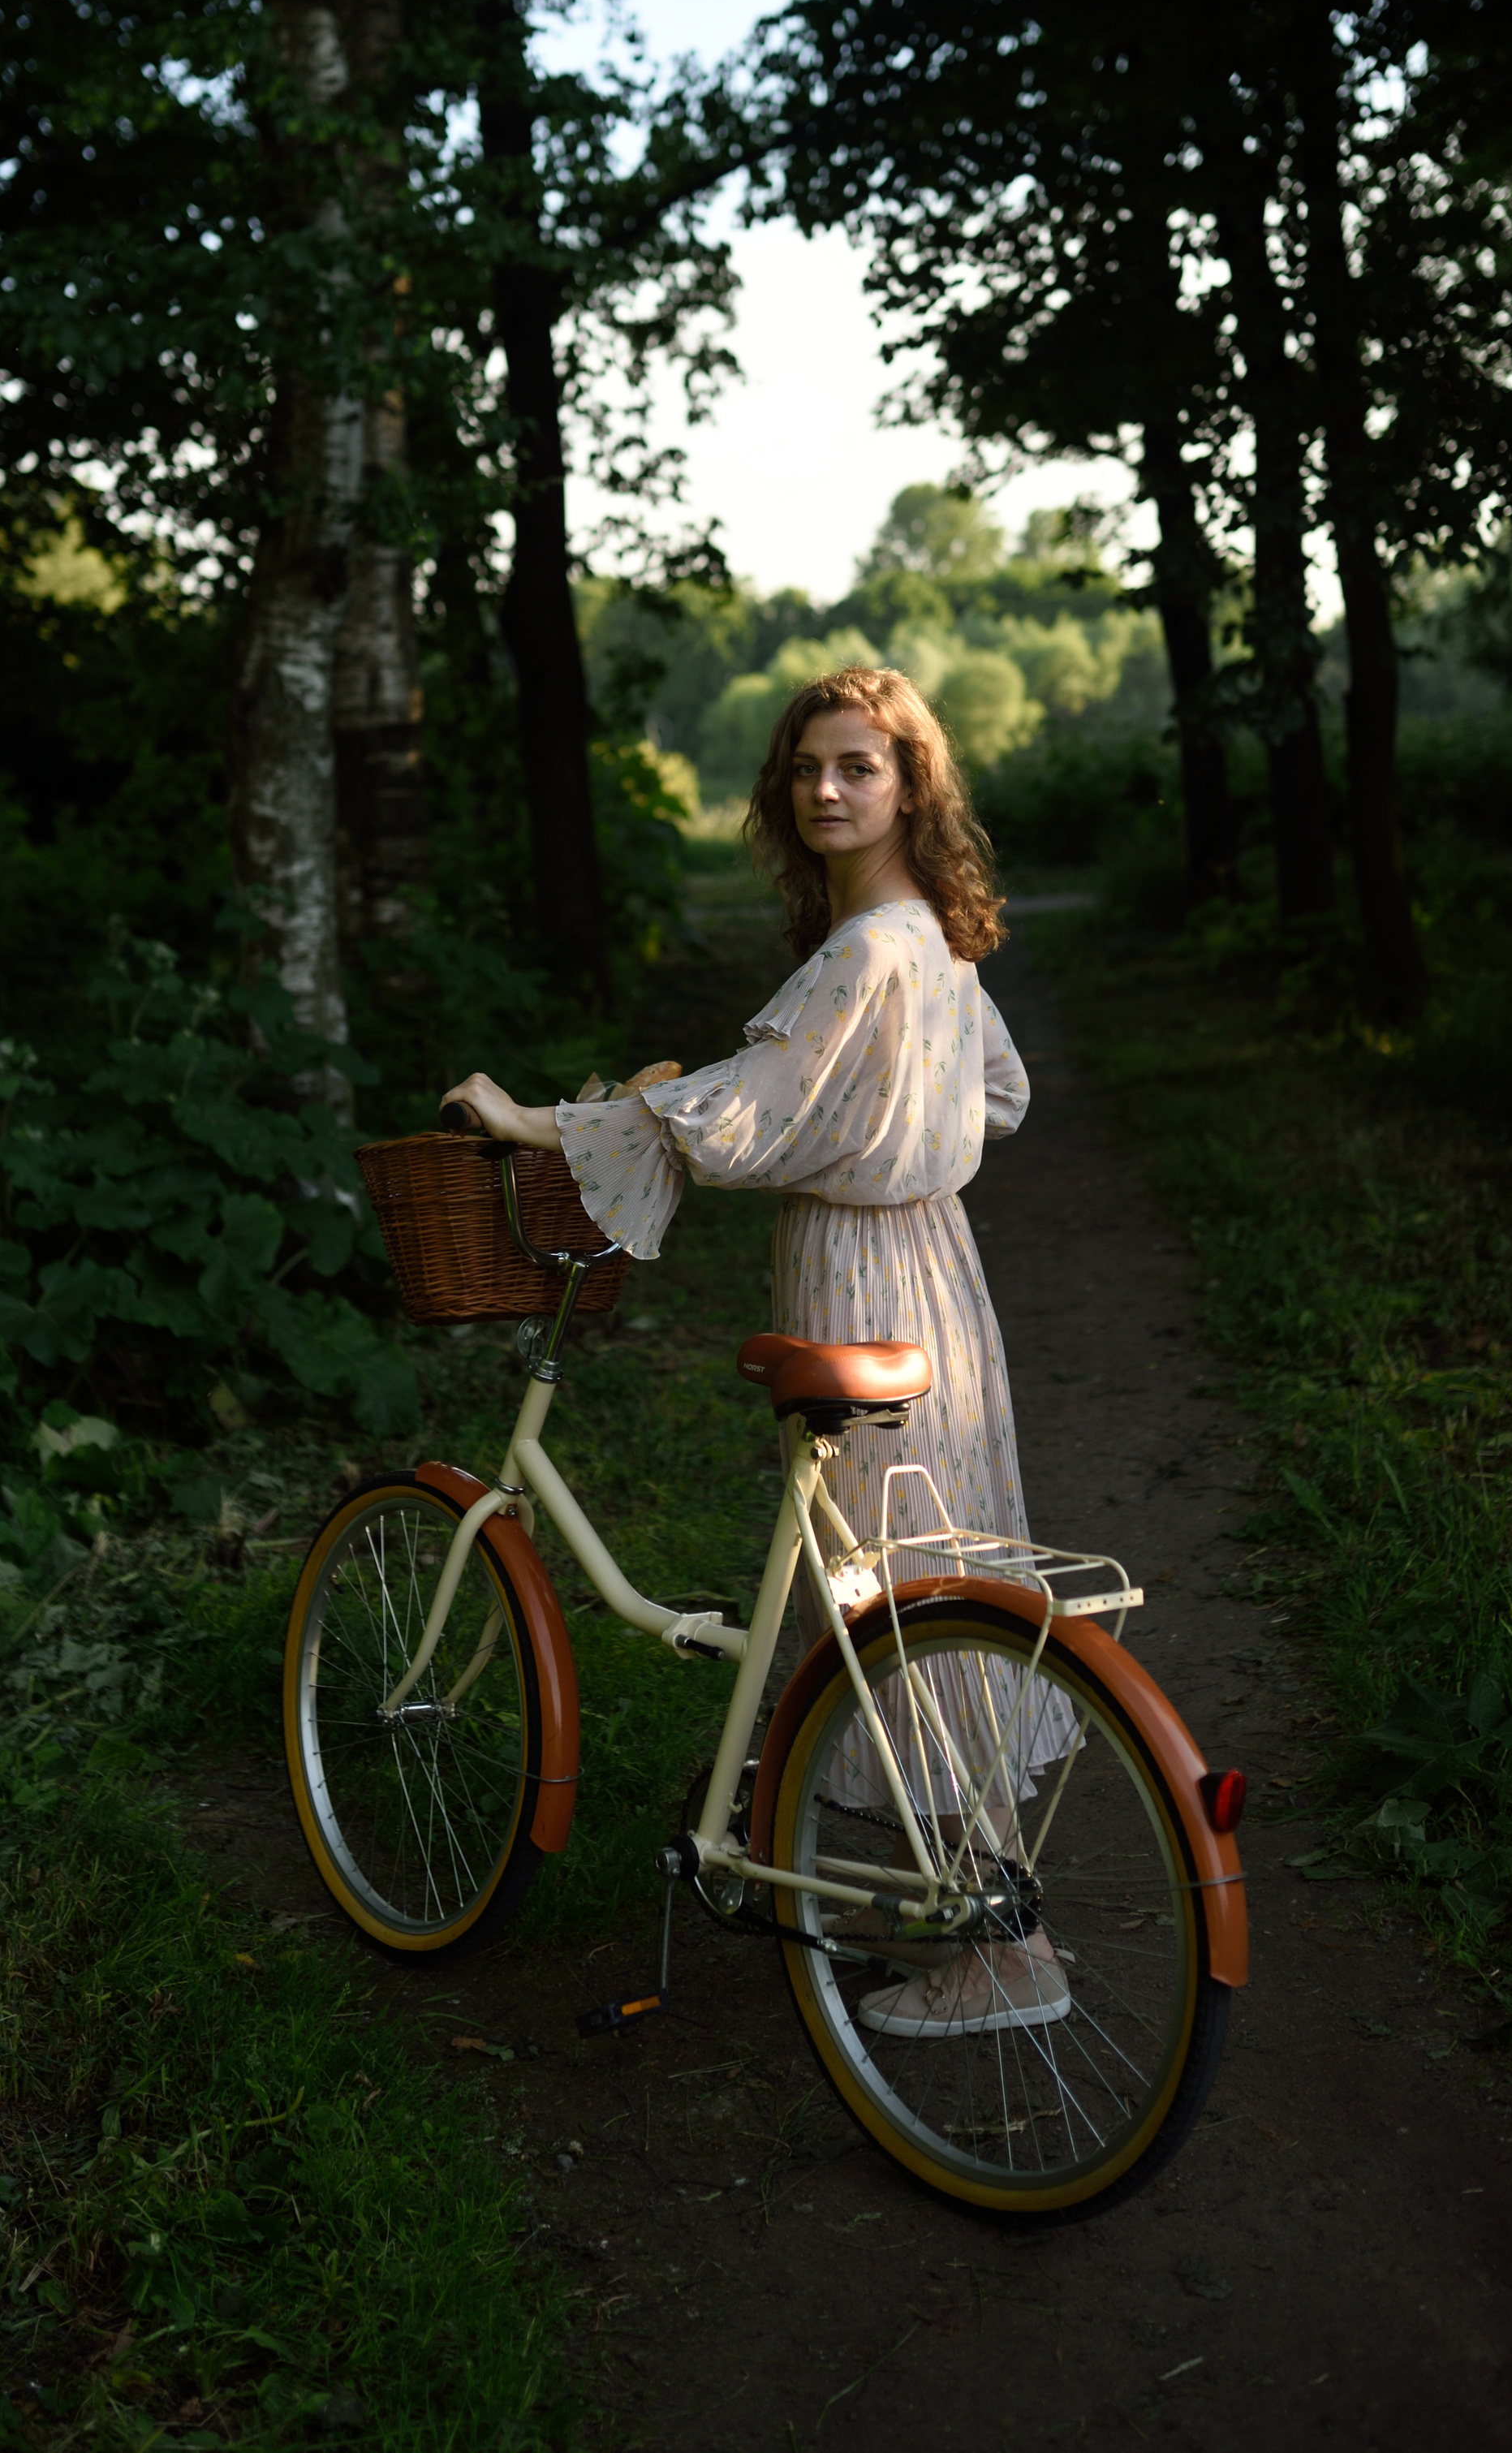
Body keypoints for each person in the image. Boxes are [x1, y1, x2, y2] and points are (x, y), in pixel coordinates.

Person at [440, 662, 1067, 2037]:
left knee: (889, 1590)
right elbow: (1002, 1094)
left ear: (911, 784)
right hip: (936, 1267)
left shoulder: (866, 949)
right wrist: (898, 1127)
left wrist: (536, 1118)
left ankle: (1000, 1951)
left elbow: (743, 1112)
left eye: (861, 766)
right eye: (809, 768)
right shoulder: (930, 937)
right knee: (923, 1567)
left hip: (858, 1268)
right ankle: (984, 1902)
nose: (829, 789)